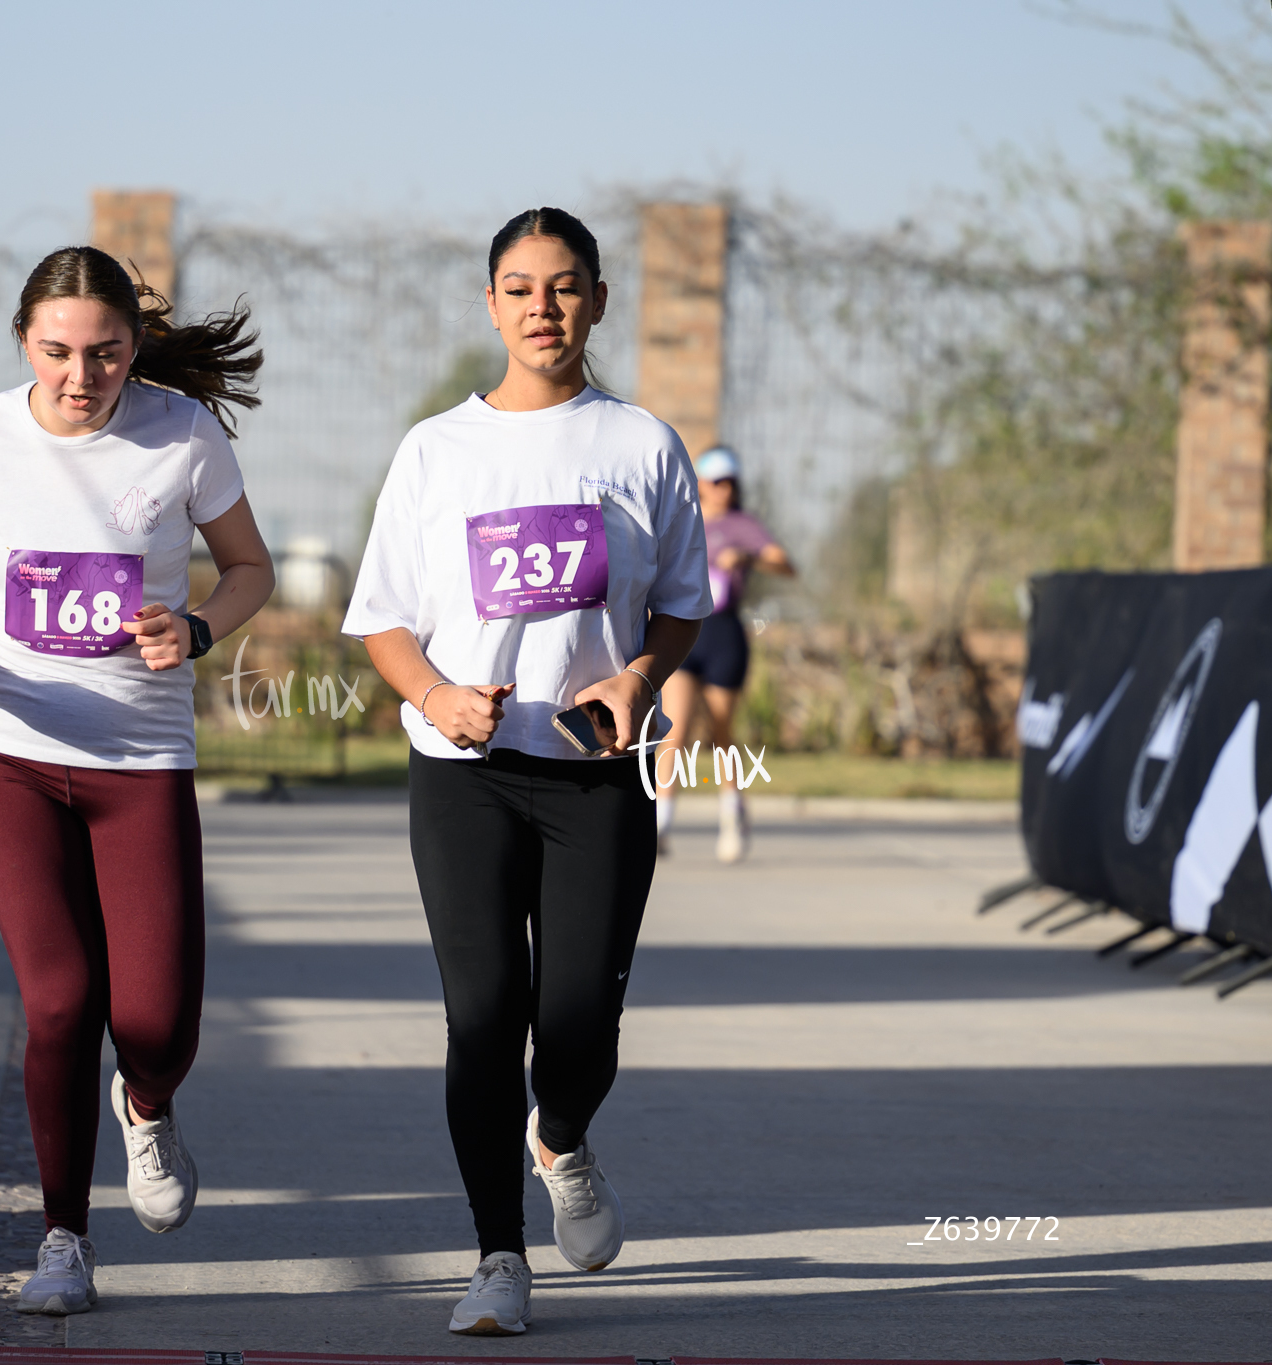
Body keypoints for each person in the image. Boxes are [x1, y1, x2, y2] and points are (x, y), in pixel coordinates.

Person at [0, 246, 273, 1317]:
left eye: (104, 353)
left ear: (134, 347)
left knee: (157, 1025)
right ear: (21, 340)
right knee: (58, 999)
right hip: (5, 752)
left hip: (139, 761)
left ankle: (147, 1104)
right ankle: (62, 1240)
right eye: (56, 352)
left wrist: (191, 628)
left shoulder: (182, 434)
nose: (79, 376)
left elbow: (248, 570)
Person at [343, 208, 710, 1336]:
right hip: (466, 773)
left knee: (578, 1026)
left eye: (562, 287)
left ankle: (559, 1135)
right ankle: (496, 1255)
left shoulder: (642, 444)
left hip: (595, 776)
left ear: (597, 300)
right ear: (489, 304)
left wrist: (638, 679)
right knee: (483, 1013)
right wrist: (435, 696)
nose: (540, 308)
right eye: (516, 287)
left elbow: (681, 607)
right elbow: (382, 623)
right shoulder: (433, 450)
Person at [653, 446, 793, 862]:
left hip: (722, 633)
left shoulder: (742, 526)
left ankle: (732, 814)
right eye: (716, 481)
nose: (724, 489)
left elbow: (783, 563)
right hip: (681, 631)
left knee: (720, 732)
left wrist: (748, 556)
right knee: (673, 729)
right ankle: (661, 822)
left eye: (730, 481)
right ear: (700, 484)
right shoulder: (684, 520)